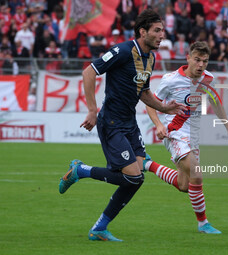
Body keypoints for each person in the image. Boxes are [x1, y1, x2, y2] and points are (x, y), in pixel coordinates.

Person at [58, 9, 186, 242]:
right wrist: (91, 109)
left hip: (130, 124)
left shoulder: (151, 58)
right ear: (142, 31)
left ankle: (99, 228)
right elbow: (89, 72)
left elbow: (143, 92)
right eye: (157, 31)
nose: (161, 35)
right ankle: (81, 171)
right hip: (112, 123)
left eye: (162, 31)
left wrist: (165, 108)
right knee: (132, 177)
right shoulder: (123, 51)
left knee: (136, 180)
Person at [144, 41, 228, 234]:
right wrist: (159, 125)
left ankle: (147, 165)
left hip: (192, 136)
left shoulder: (208, 78)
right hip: (174, 132)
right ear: (188, 58)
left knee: (184, 185)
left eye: (205, 61)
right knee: (197, 173)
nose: (201, 65)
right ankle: (203, 223)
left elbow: (216, 102)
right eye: (197, 60)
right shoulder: (170, 80)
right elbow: (150, 104)